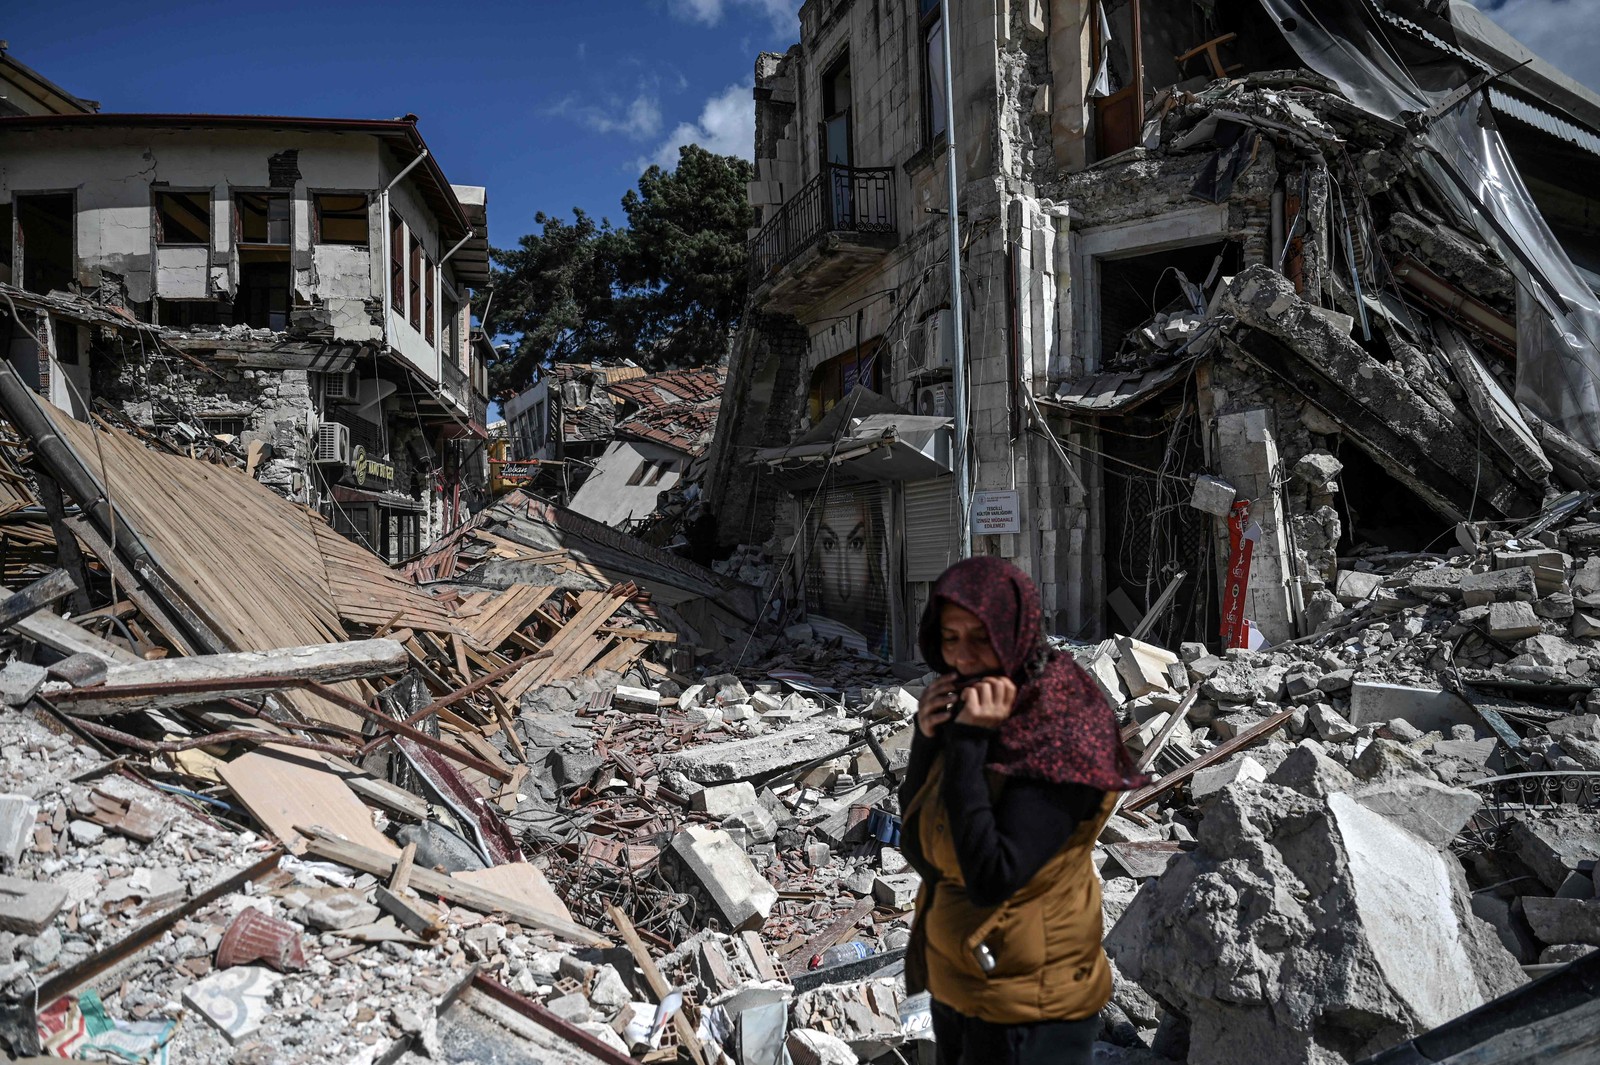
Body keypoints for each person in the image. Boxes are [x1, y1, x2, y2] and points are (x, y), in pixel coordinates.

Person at [899, 556, 1148, 1065]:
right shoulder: (974, 703)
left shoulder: (1060, 725)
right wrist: (928, 741)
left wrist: (967, 742)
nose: (964, 658)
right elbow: (921, 851)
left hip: (1029, 1002)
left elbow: (994, 878)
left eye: (981, 637)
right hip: (959, 981)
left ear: (1016, 632)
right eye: (950, 638)